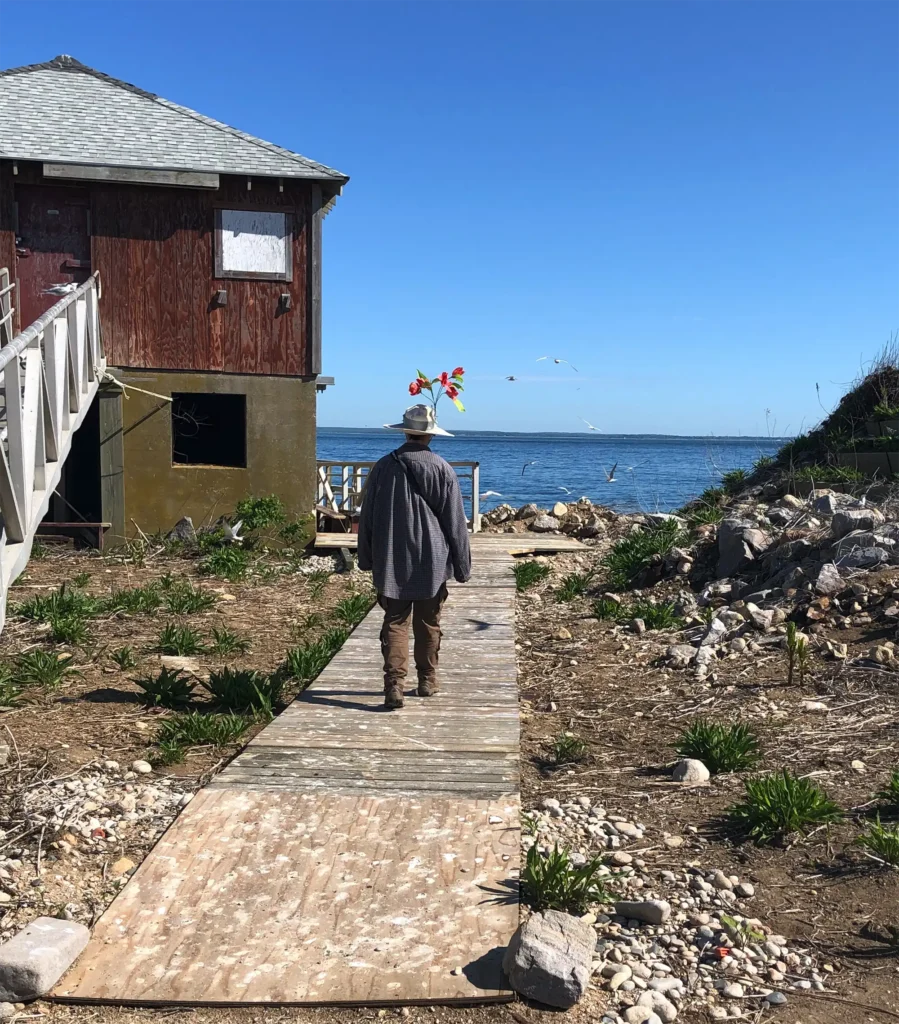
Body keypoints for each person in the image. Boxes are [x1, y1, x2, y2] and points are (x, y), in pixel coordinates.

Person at [357, 404, 472, 709]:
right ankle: (427, 680)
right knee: (429, 623)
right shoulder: (442, 468)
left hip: (392, 556)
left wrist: (365, 557)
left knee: (395, 621)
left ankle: (394, 684)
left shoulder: (383, 466)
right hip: (433, 558)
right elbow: (455, 522)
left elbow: (366, 516)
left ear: (406, 431)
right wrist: (462, 566)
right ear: (430, 435)